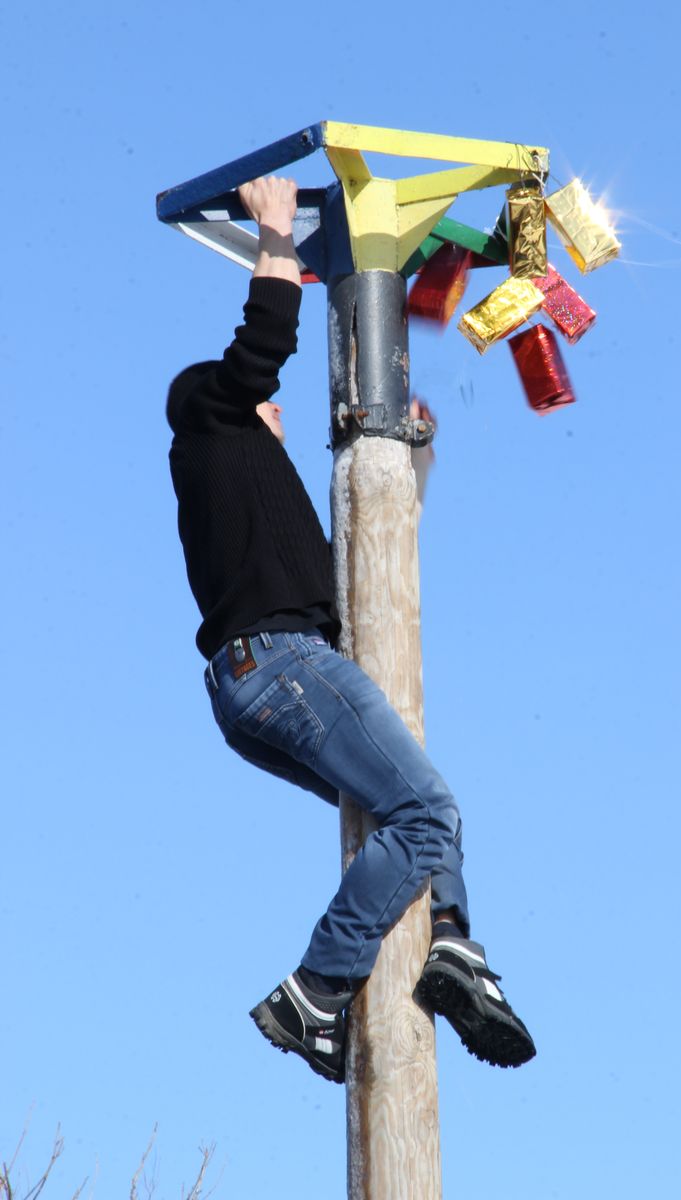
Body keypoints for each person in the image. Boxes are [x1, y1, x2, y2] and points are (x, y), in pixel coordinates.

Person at [167, 175, 535, 1084]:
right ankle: (319, 987)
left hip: (260, 676)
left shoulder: (255, 499)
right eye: (263, 401)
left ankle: (452, 942)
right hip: (280, 664)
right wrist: (276, 233)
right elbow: (262, 345)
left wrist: (414, 454)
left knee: (406, 811)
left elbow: (361, 573)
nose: (278, 407)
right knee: (427, 809)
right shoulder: (207, 422)